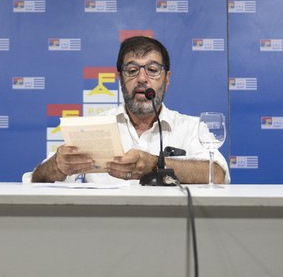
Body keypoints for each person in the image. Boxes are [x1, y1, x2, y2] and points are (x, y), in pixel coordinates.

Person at [31, 36, 230, 184]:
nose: (142, 79)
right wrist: (57, 166)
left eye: (152, 70)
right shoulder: (92, 127)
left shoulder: (191, 127)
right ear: (121, 79)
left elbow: (218, 175)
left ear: (167, 79)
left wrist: (155, 165)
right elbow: (36, 180)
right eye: (132, 71)